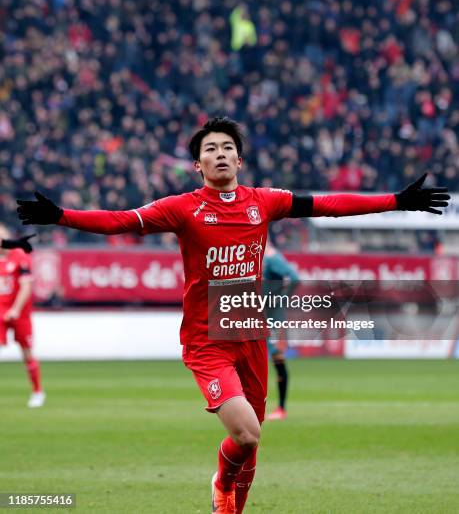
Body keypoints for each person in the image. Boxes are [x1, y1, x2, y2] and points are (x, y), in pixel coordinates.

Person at [16, 117, 449, 513]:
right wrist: (61, 216)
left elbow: (329, 204)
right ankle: (221, 485)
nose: (219, 153)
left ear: (239, 160)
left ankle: (230, 506)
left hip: (249, 333)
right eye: (210, 149)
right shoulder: (182, 208)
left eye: (226, 147)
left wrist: (396, 201)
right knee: (246, 433)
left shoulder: (265, 201)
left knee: (252, 444)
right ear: (197, 166)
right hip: (207, 342)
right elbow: (119, 221)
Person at [0, 227, 45, 408]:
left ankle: (37, 391)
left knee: (26, 352)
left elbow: (26, 286)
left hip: (20, 312)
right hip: (0, 311)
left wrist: (16, 310)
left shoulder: (20, 256)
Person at [263, 239, 300, 421]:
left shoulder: (271, 257)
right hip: (255, 318)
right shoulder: (256, 256)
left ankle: (281, 408)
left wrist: (280, 299)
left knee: (278, 359)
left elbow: (294, 278)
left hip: (273, 319)